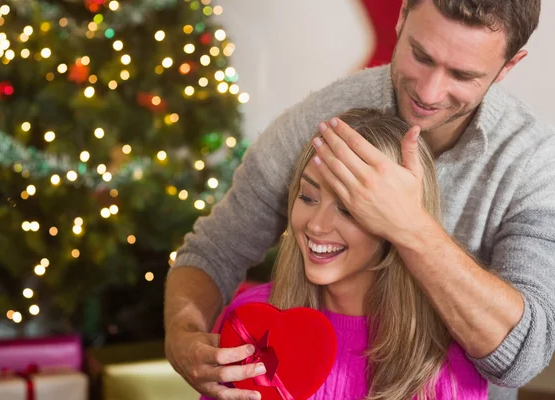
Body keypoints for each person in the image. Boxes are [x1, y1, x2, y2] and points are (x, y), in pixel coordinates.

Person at [164, 1, 555, 400]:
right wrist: (183, 338)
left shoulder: (536, 164)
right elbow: (214, 251)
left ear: (509, 65)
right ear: (401, 18)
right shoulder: (320, 118)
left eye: (462, 74)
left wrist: (411, 227)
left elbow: (523, 355)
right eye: (421, 55)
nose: (428, 91)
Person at [201, 108, 488, 400]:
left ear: (398, 220)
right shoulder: (250, 320)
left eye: (348, 209)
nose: (316, 224)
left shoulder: (443, 357)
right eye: (308, 197)